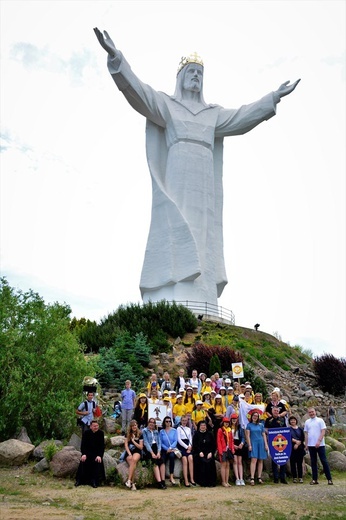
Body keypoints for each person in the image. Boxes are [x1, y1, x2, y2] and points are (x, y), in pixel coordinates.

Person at [94, 28, 300, 307]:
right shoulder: (168, 105)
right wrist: (117, 59)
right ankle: (173, 295)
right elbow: (140, 94)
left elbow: (242, 117)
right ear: (180, 78)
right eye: (191, 72)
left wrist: (273, 97)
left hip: (204, 186)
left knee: (204, 235)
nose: (195, 76)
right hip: (178, 176)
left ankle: (203, 298)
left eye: (199, 74)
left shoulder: (212, 114)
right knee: (177, 227)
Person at [304, 407, 333, 485]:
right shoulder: (307, 422)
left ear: (315, 412)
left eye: (312, 412)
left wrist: (319, 441)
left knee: (324, 461)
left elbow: (323, 431)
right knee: (313, 462)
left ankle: (329, 479)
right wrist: (306, 444)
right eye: (310, 412)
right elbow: (306, 434)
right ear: (308, 413)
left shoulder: (320, 420)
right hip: (311, 445)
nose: (311, 413)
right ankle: (314, 479)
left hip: (320, 445)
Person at [75, 420, 105, 488]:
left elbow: (102, 446)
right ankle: (79, 480)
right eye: (94, 426)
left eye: (97, 426)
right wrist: (84, 454)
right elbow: (83, 445)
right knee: (83, 461)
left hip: (96, 454)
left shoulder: (101, 433)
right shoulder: (86, 433)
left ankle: (94, 481)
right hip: (87, 453)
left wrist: (99, 455)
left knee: (97, 461)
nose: (96, 427)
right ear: (91, 426)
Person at [265, 406, 288, 484]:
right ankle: (276, 478)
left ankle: (282, 478)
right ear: (272, 411)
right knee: (274, 459)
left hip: (281, 442)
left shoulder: (282, 419)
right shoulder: (268, 420)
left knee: (283, 458)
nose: (276, 412)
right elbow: (266, 430)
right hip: (273, 442)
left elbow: (285, 429)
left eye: (277, 411)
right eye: (274, 410)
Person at [142, 418, 167, 489]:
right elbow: (146, 443)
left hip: (156, 448)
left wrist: (159, 452)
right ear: (148, 422)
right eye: (150, 422)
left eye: (153, 422)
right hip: (149, 449)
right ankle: (159, 483)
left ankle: (163, 481)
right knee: (155, 463)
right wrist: (152, 453)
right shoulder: (145, 431)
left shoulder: (156, 431)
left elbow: (159, 442)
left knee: (162, 462)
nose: (152, 424)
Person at [246, 411, 269, 486]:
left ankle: (259, 477)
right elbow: (248, 436)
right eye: (254, 416)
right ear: (251, 416)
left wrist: (266, 445)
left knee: (260, 460)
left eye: (256, 416)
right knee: (254, 460)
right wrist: (249, 445)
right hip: (253, 443)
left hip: (261, 443)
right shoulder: (249, 425)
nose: (255, 417)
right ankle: (252, 478)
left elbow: (264, 435)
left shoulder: (261, 425)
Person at [193, 420, 217, 487]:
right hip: (199, 453)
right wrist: (199, 452)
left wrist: (211, 452)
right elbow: (195, 445)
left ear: (206, 426)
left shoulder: (210, 434)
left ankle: (211, 482)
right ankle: (202, 482)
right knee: (202, 461)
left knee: (210, 462)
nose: (203, 427)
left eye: (204, 425)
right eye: (201, 425)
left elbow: (213, 445)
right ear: (199, 427)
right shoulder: (196, 434)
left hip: (209, 452)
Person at [177, 415, 196, 487]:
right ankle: (186, 480)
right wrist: (186, 447)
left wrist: (190, 446)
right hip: (182, 446)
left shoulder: (188, 429)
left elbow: (190, 438)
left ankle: (192, 478)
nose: (184, 422)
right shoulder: (178, 428)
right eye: (183, 420)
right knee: (185, 461)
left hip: (188, 445)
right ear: (181, 421)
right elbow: (179, 440)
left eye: (186, 420)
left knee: (190, 459)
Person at [124, 419, 143, 491]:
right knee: (133, 464)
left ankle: (129, 480)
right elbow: (126, 445)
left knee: (134, 460)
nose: (134, 427)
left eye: (135, 425)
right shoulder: (128, 434)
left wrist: (133, 441)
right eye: (132, 426)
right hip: (129, 451)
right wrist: (129, 454)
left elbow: (141, 447)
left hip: (137, 451)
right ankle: (133, 484)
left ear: (137, 425)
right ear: (130, 427)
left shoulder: (140, 434)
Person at [159, 416, 178, 486]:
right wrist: (166, 449)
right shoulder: (161, 431)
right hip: (164, 449)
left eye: (169, 421)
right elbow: (160, 442)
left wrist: (170, 448)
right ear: (164, 422)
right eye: (166, 421)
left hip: (172, 449)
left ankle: (171, 476)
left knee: (172, 457)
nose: (168, 423)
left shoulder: (174, 430)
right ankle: (162, 478)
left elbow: (175, 441)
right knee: (162, 459)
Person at [217, 416, 235, 487]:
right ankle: (223, 481)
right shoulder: (220, 430)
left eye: (227, 422)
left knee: (228, 465)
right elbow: (218, 441)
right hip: (223, 449)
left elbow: (232, 440)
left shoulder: (230, 430)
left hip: (229, 449)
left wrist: (232, 448)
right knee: (223, 465)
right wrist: (220, 451)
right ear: (223, 423)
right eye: (225, 422)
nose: (226, 423)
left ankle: (227, 481)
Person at [288, 415, 305, 483]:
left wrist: (298, 443)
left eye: (294, 420)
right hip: (292, 447)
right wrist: (295, 442)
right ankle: (294, 477)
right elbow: (288, 437)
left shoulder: (300, 429)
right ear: (289, 421)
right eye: (291, 420)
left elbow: (302, 437)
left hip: (300, 447)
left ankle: (300, 477)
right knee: (292, 463)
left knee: (299, 463)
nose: (293, 421)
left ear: (296, 421)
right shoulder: (288, 429)